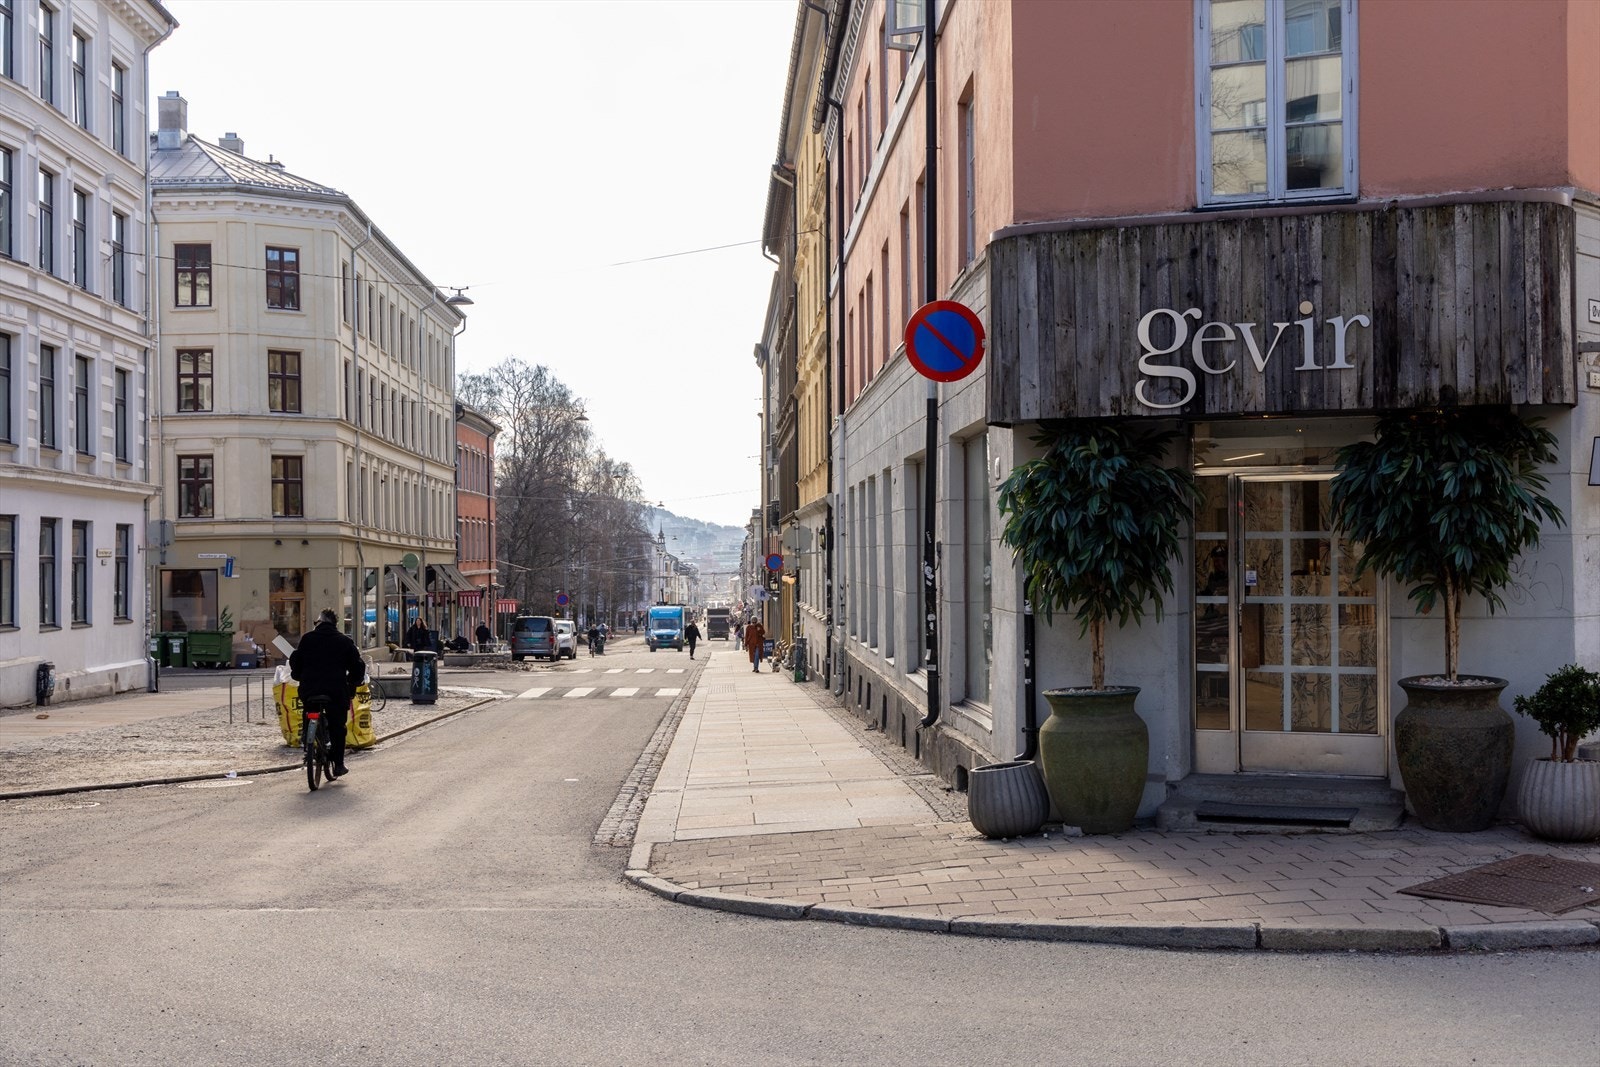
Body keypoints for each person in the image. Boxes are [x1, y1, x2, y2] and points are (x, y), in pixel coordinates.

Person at [290, 608, 365, 778]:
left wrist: (297, 675)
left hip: (310, 689)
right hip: (335, 691)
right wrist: (354, 682)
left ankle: (306, 740)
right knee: (338, 726)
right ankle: (338, 764)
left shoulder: (307, 639)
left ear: (320, 623)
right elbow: (357, 666)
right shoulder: (344, 642)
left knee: (309, 709)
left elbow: (296, 660)